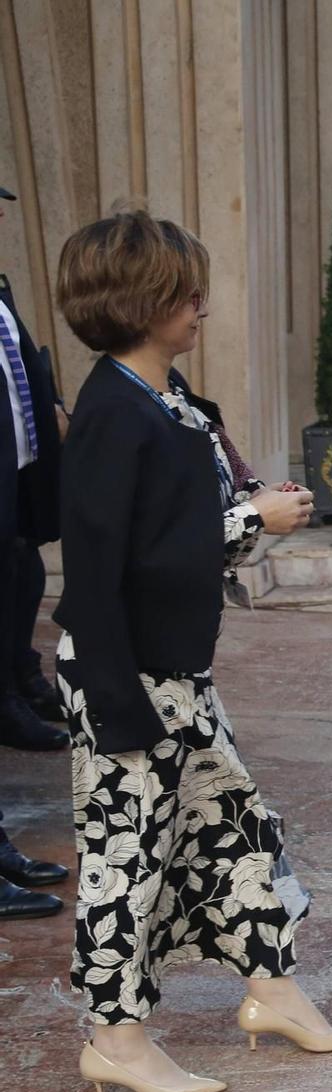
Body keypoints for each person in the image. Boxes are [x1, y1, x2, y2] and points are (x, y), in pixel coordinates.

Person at [52, 210, 332, 1092]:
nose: (202, 306)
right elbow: (117, 560)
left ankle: (273, 992)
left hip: (176, 670)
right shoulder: (115, 408)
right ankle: (116, 1038)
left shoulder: (169, 396)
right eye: (187, 292)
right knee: (127, 859)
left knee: (235, 828)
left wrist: (255, 503)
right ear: (140, 300)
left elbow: (179, 520)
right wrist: (245, 521)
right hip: (124, 675)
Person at [0, 184, 66, 752]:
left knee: (25, 576)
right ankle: (7, 704)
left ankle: (22, 677)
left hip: (19, 471)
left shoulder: (0, 290)